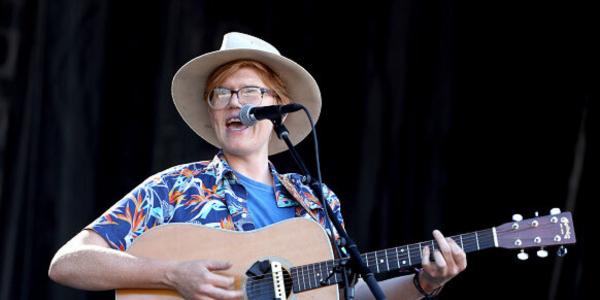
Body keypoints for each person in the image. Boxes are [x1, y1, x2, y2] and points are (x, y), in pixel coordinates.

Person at [48, 32, 467, 300]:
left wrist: (425, 283)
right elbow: (69, 262)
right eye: (221, 94)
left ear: (277, 109)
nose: (235, 103)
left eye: (250, 91)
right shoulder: (175, 187)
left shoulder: (316, 200)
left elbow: (346, 293)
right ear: (212, 112)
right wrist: (171, 274)